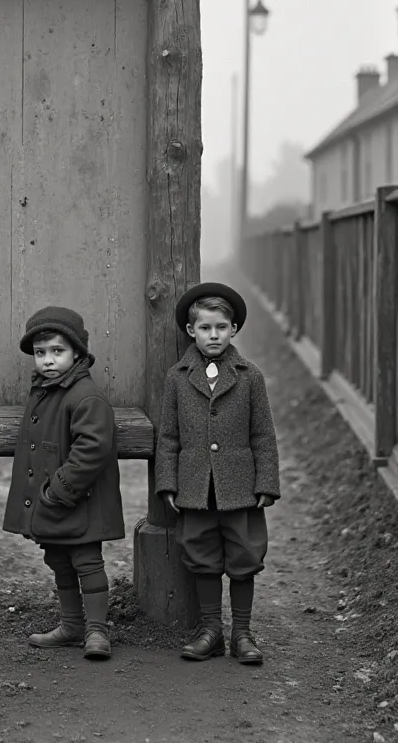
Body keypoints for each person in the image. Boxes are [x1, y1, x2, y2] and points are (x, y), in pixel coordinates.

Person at [155, 282, 280, 665]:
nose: (214, 335)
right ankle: (211, 631)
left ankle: (242, 633)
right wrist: (168, 482)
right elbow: (169, 436)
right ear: (191, 331)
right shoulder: (178, 377)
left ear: (234, 330)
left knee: (244, 555)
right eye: (206, 328)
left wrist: (266, 483)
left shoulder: (249, 376)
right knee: (202, 555)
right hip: (195, 485)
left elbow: (263, 434)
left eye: (221, 327)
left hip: (239, 486)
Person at [3, 306, 125, 660]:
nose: (48, 360)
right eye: (41, 353)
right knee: (58, 559)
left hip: (77, 498)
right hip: (52, 501)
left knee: (87, 561)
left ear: (77, 353)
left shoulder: (84, 395)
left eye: (57, 351)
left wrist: (58, 490)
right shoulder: (45, 392)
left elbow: (93, 448)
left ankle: (97, 630)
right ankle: (71, 624)